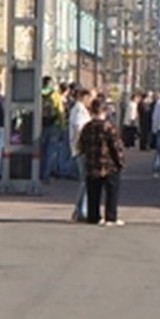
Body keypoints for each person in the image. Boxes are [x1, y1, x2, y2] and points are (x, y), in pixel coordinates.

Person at [79, 95, 125, 226]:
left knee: (93, 192)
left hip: (92, 163)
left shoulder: (87, 127)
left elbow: (81, 144)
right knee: (112, 192)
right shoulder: (109, 127)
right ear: (104, 111)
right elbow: (116, 146)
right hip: (109, 165)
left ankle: (93, 216)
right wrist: (120, 162)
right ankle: (111, 217)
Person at [68, 86, 94, 221]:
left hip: (80, 148)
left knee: (85, 180)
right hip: (81, 149)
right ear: (85, 97)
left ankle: (79, 210)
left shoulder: (81, 110)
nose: (91, 101)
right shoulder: (79, 110)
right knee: (86, 180)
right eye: (90, 98)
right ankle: (82, 211)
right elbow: (79, 128)